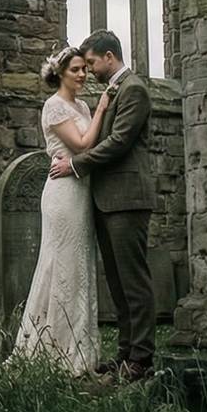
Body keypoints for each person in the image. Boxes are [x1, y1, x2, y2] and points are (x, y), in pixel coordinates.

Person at [49, 29, 159, 380]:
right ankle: (126, 354)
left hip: (127, 198)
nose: (90, 70)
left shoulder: (135, 90)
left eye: (92, 62)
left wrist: (75, 165)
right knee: (117, 281)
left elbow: (119, 143)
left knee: (133, 281)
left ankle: (141, 358)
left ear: (109, 57)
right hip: (107, 200)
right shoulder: (114, 91)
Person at [8, 45, 111, 374]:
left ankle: (80, 349)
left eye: (84, 68)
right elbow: (82, 145)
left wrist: (93, 112)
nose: (82, 74)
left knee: (79, 266)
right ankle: (53, 351)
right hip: (63, 192)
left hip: (81, 189)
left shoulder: (79, 104)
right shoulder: (54, 106)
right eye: (75, 70)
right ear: (60, 73)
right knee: (61, 267)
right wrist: (103, 108)